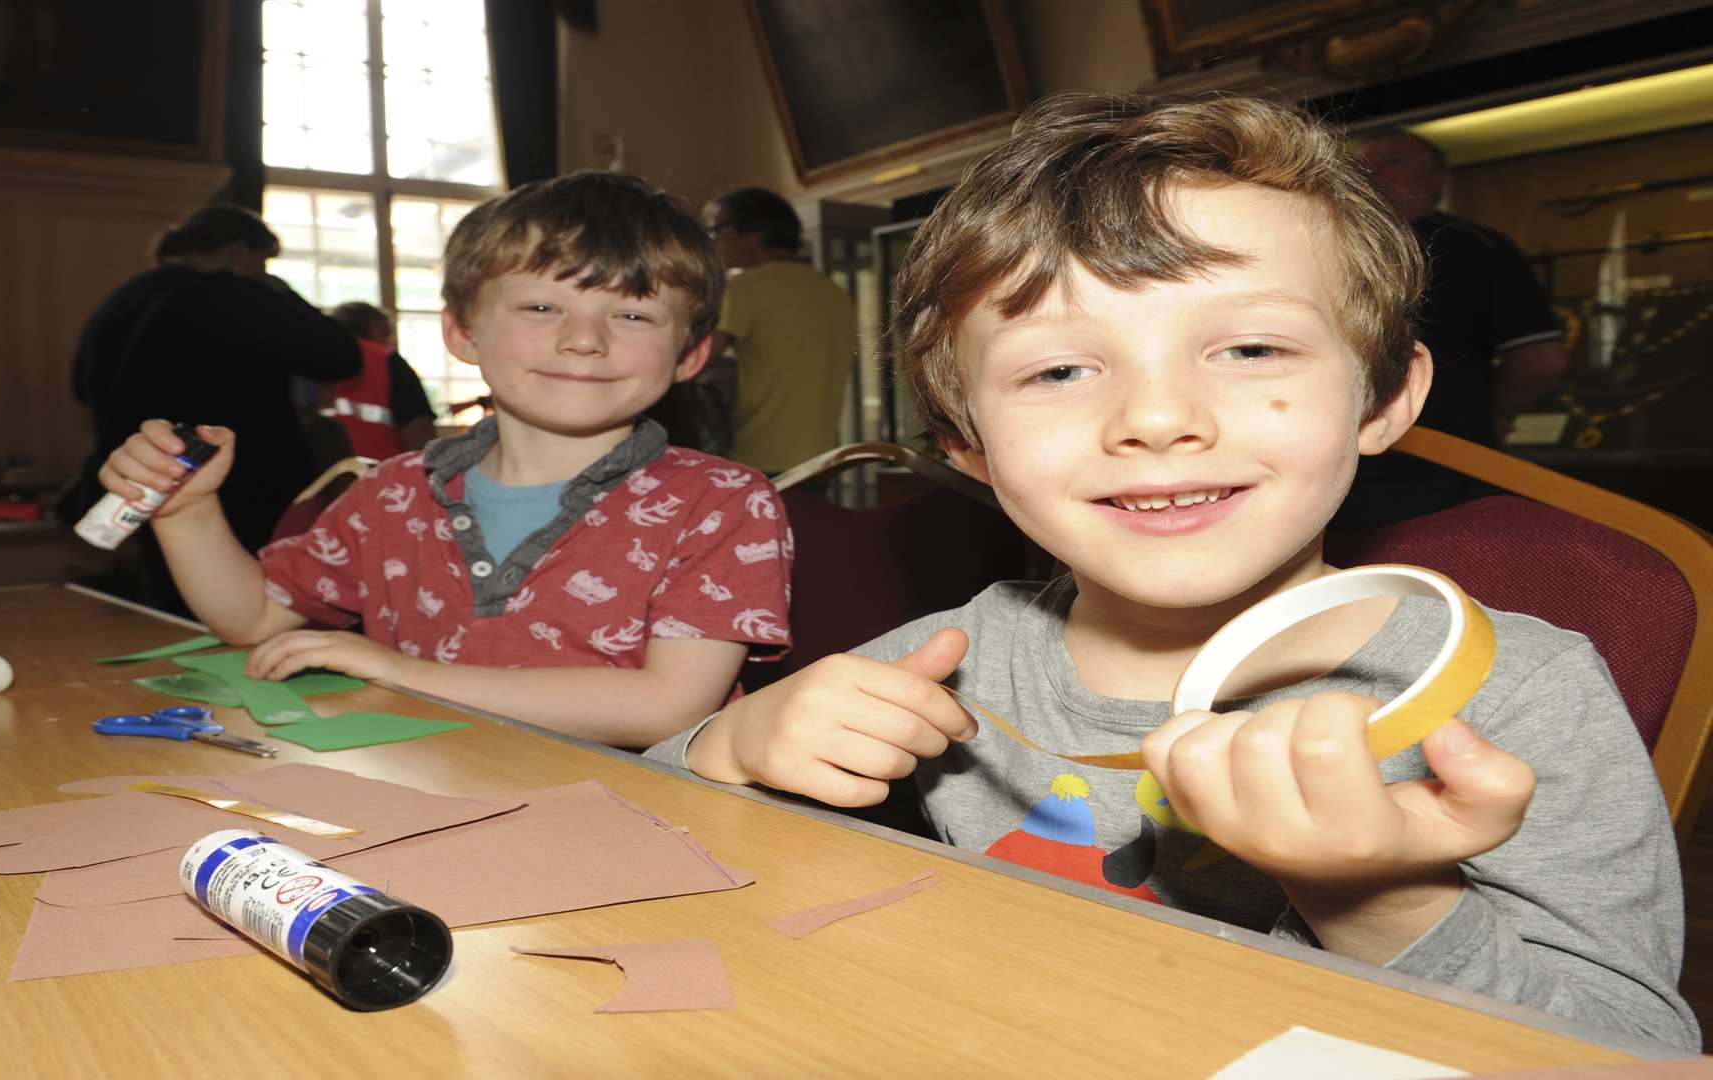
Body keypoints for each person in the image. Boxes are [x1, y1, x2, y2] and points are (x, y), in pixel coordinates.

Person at [645, 93, 1697, 1048]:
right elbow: (636, 823)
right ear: (965, 441)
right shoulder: (955, 657)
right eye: (1058, 369)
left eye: (1250, 350)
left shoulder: (1527, 693)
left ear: (1382, 400)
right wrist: (730, 747)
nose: (1154, 419)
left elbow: (1630, 1046)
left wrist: (1382, 900)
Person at [96, 171, 795, 749]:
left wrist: (399, 671)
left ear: (691, 354)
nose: (585, 339)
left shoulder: (724, 502)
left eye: (635, 315)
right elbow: (252, 617)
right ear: (462, 332)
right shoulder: (395, 492)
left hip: (632, 820)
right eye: (541, 307)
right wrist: (186, 511)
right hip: (422, 794)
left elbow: (665, 709)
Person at [68, 203, 361, 613]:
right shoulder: (235, 293)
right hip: (243, 478)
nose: (263, 271)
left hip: (141, 469)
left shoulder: (125, 296)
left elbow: (82, 388)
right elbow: (341, 357)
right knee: (253, 604)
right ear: (239, 252)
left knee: (168, 604)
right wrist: (281, 290)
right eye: (262, 261)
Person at [1339, 130, 1569, 525]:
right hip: (1344, 473)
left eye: (1392, 161)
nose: (1370, 171)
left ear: (1436, 180)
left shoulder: (1476, 248)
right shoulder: (1327, 245)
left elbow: (1540, 360)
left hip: (1441, 471)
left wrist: (1493, 416)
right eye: (1360, 162)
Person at [703, 187, 857, 474]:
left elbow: (695, 361)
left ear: (755, 232)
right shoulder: (835, 292)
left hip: (758, 455)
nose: (713, 242)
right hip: (823, 458)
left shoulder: (743, 288)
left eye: (716, 230)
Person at [311, 301, 439, 460]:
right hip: (382, 476)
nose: (389, 343)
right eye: (386, 335)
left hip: (319, 478)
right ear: (373, 328)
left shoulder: (308, 357)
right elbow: (420, 430)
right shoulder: (387, 360)